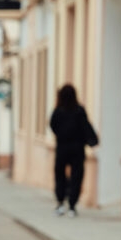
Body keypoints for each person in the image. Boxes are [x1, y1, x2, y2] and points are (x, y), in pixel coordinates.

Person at [49, 83, 91, 217]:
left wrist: (61, 135)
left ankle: (61, 202)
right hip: (77, 148)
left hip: (62, 148)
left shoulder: (58, 111)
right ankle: (72, 205)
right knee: (76, 176)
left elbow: (52, 125)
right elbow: (85, 126)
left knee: (60, 175)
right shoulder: (79, 110)